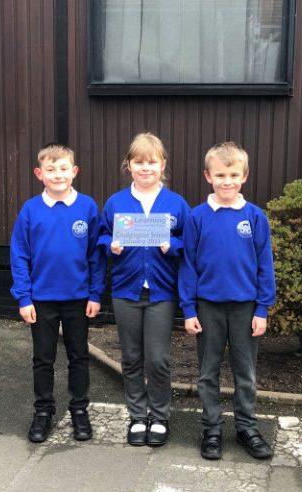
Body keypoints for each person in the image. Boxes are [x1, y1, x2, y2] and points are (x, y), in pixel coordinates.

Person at [179, 142, 276, 461]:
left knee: (245, 372)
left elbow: (265, 263)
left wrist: (262, 308)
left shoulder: (255, 216)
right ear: (208, 176)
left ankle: (247, 427)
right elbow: (189, 265)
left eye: (233, 174)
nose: (226, 181)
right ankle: (211, 428)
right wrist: (189, 309)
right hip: (207, 307)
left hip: (246, 308)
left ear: (244, 176)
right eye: (220, 174)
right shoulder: (197, 217)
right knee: (208, 371)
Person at [98, 133, 190, 447]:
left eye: (152, 162)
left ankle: (160, 416)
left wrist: (172, 244)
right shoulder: (116, 202)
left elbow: (189, 244)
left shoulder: (176, 203)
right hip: (126, 291)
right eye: (139, 162)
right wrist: (111, 245)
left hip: (162, 293)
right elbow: (100, 237)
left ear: (162, 164)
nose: (145, 167)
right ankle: (138, 415)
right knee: (132, 357)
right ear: (129, 165)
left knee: (159, 359)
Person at [10, 144, 104, 443]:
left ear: (74, 171)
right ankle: (43, 411)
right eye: (51, 170)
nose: (58, 174)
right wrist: (24, 298)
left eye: (64, 168)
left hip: (78, 298)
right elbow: (19, 255)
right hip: (42, 299)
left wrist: (96, 293)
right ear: (40, 174)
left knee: (78, 357)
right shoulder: (30, 209)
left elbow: (96, 256)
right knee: (43, 358)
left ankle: (79, 410)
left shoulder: (88, 207)